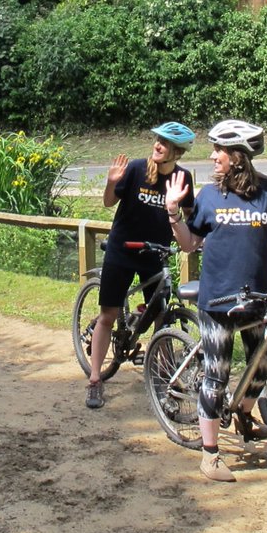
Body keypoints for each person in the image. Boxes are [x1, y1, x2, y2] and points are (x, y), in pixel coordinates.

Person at [164, 119, 267, 482]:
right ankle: (210, 454)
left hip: (257, 298)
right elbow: (189, 244)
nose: (212, 156)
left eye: (218, 150)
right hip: (217, 301)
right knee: (216, 376)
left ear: (237, 157)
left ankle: (244, 415)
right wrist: (173, 211)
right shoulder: (208, 195)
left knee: (264, 363)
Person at [85, 122, 197, 409]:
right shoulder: (136, 169)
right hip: (122, 250)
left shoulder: (182, 178)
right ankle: (96, 379)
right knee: (108, 315)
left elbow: (190, 215)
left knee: (162, 319)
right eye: (157, 140)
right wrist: (112, 181)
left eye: (164, 143)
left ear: (177, 151)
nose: (157, 145)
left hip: (155, 254)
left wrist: (198, 236)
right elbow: (109, 202)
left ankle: (164, 379)